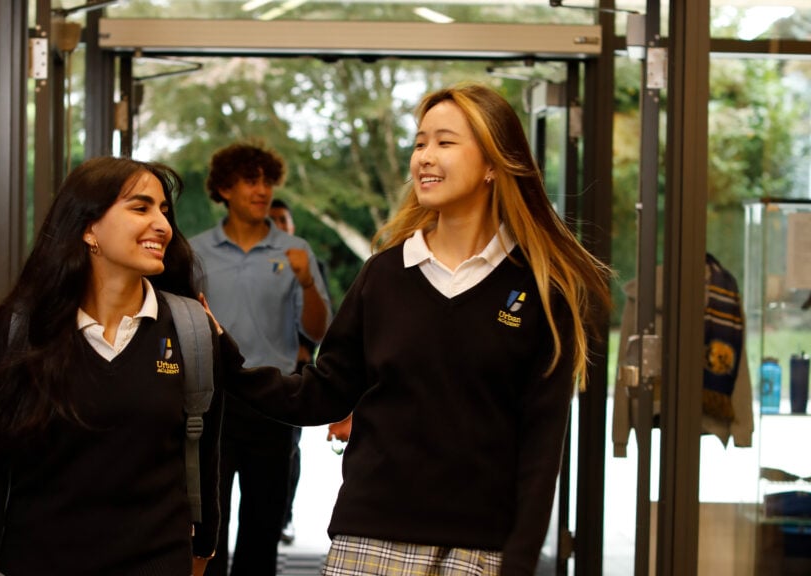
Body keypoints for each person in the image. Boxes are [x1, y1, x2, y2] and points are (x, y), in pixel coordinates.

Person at [212, 83, 612, 576]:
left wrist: (521, 558)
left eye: (445, 142)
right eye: (420, 142)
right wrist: (227, 362)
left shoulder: (541, 289)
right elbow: (324, 393)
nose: (424, 156)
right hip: (369, 539)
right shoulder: (382, 275)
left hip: (479, 550)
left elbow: (542, 441)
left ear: (493, 163)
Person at [0, 156, 223, 576]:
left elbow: (203, 453)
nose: (163, 225)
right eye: (141, 207)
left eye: (164, 211)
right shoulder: (24, 330)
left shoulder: (190, 329)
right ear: (89, 228)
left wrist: (203, 548)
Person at [190, 141, 331, 576]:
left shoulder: (295, 250)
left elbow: (320, 331)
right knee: (206, 530)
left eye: (268, 181)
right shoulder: (196, 252)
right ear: (225, 189)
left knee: (263, 527)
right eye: (252, 180)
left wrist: (307, 282)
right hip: (212, 403)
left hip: (274, 403)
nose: (263, 189)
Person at [268, 198, 330, 545]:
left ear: (292, 226)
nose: (277, 225)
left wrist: (304, 344)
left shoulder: (310, 263)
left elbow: (323, 316)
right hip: (248, 373)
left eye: (283, 219)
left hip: (293, 374)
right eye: (271, 220)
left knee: (289, 449)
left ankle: (284, 517)